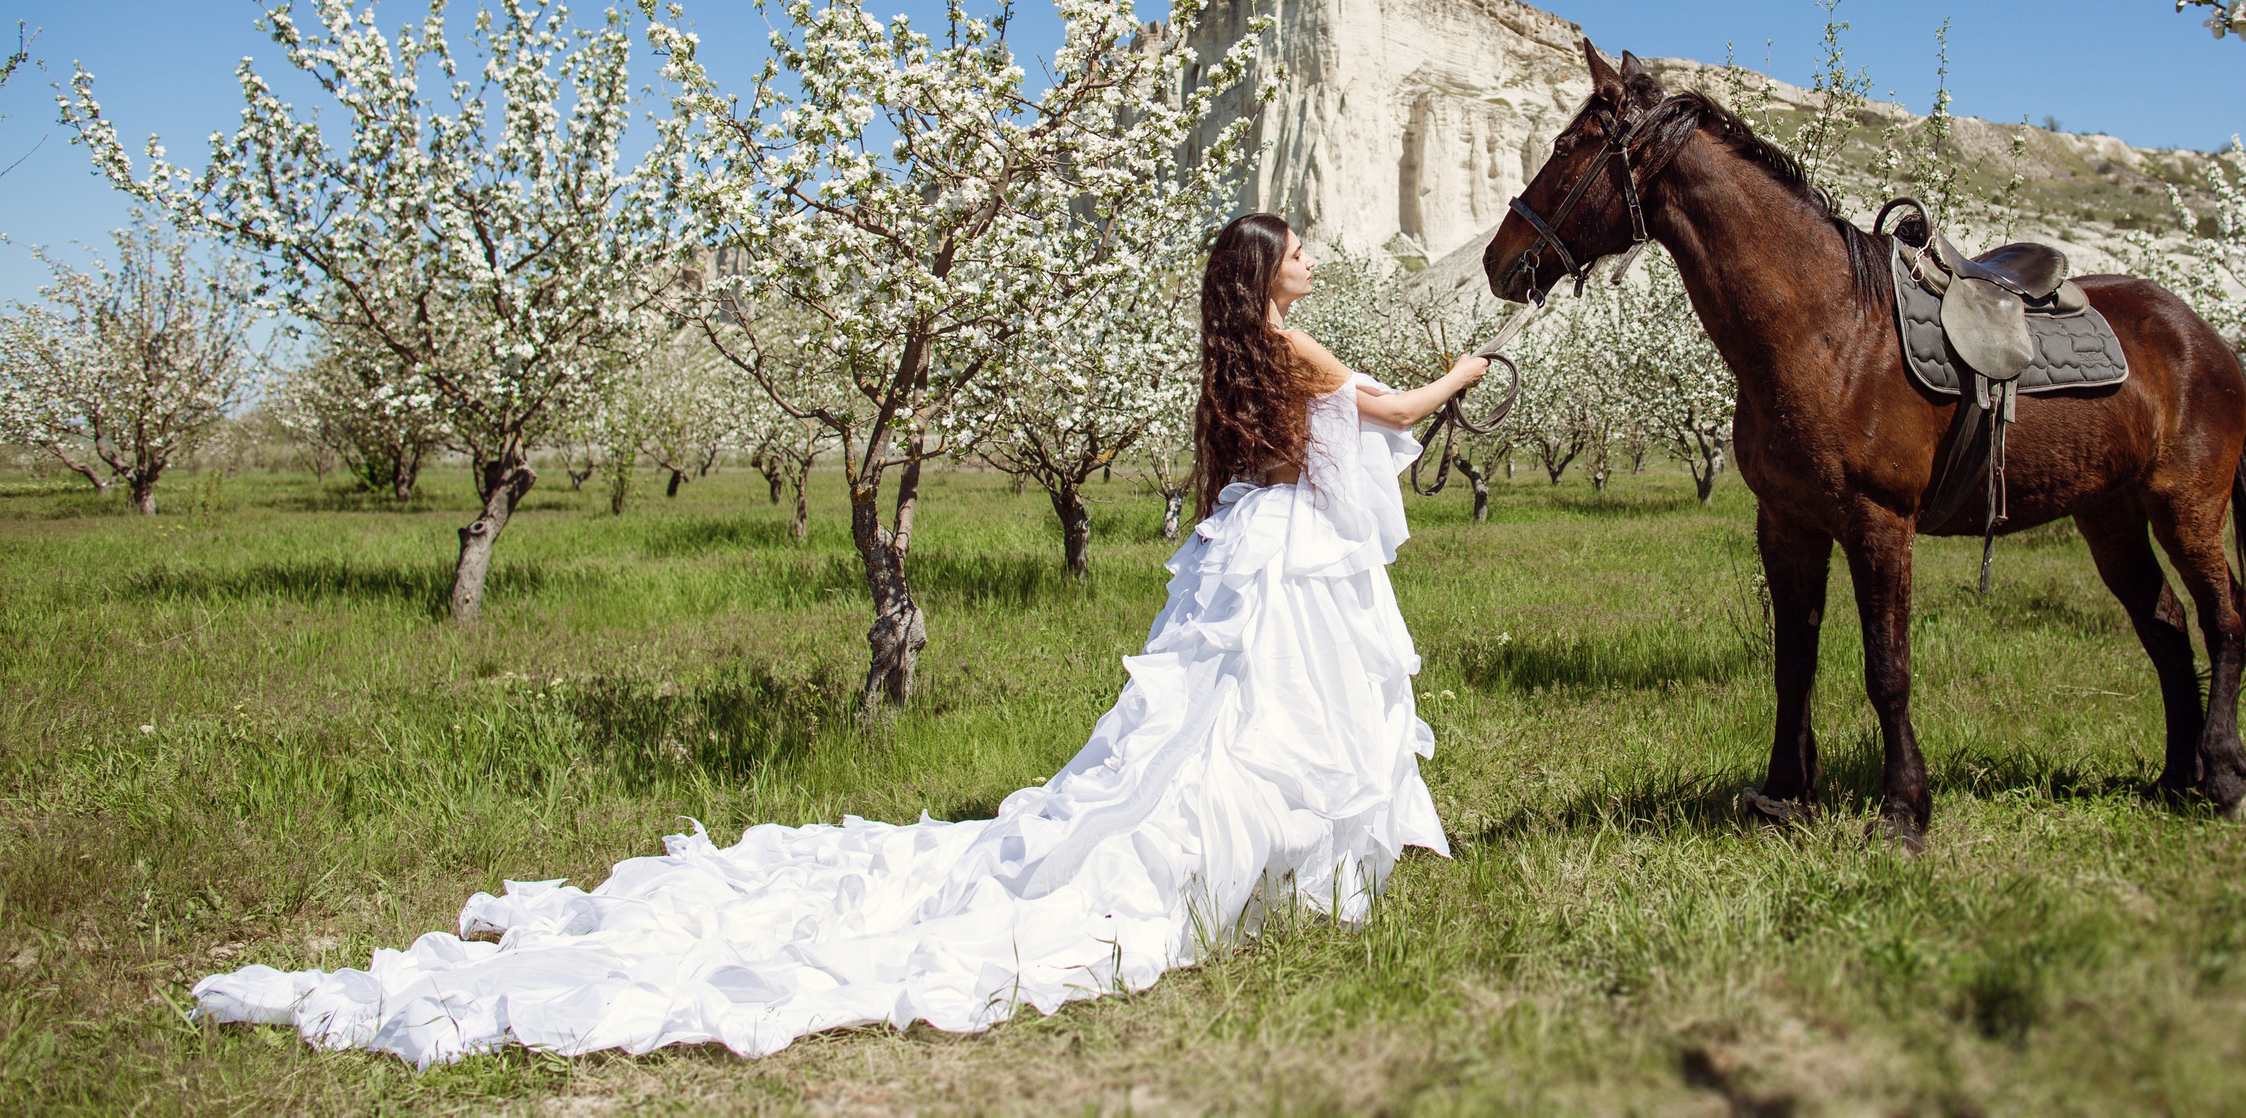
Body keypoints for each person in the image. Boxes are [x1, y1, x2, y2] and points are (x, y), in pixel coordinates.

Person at [193, 213, 1490, 1065]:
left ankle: (1258, 870)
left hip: (1241, 551)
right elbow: (1391, 408)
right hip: (1287, 559)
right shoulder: (1293, 342)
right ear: (1271, 274)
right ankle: (1267, 878)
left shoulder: (1232, 352)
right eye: (1301, 245)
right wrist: (1472, 374)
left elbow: (1324, 432)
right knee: (1279, 721)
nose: (1315, 252)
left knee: (1220, 725)